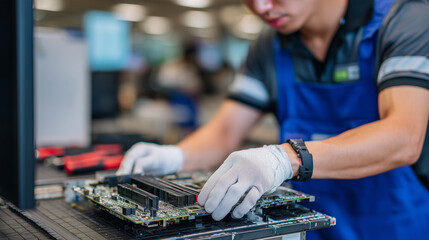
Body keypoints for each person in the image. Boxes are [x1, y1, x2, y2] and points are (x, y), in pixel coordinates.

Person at [117, 0, 429, 239]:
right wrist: (175, 155)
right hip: (307, 227)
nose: (261, 8)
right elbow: (226, 132)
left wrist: (283, 159)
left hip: (395, 225)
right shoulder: (269, 45)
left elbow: (403, 136)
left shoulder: (403, 20)